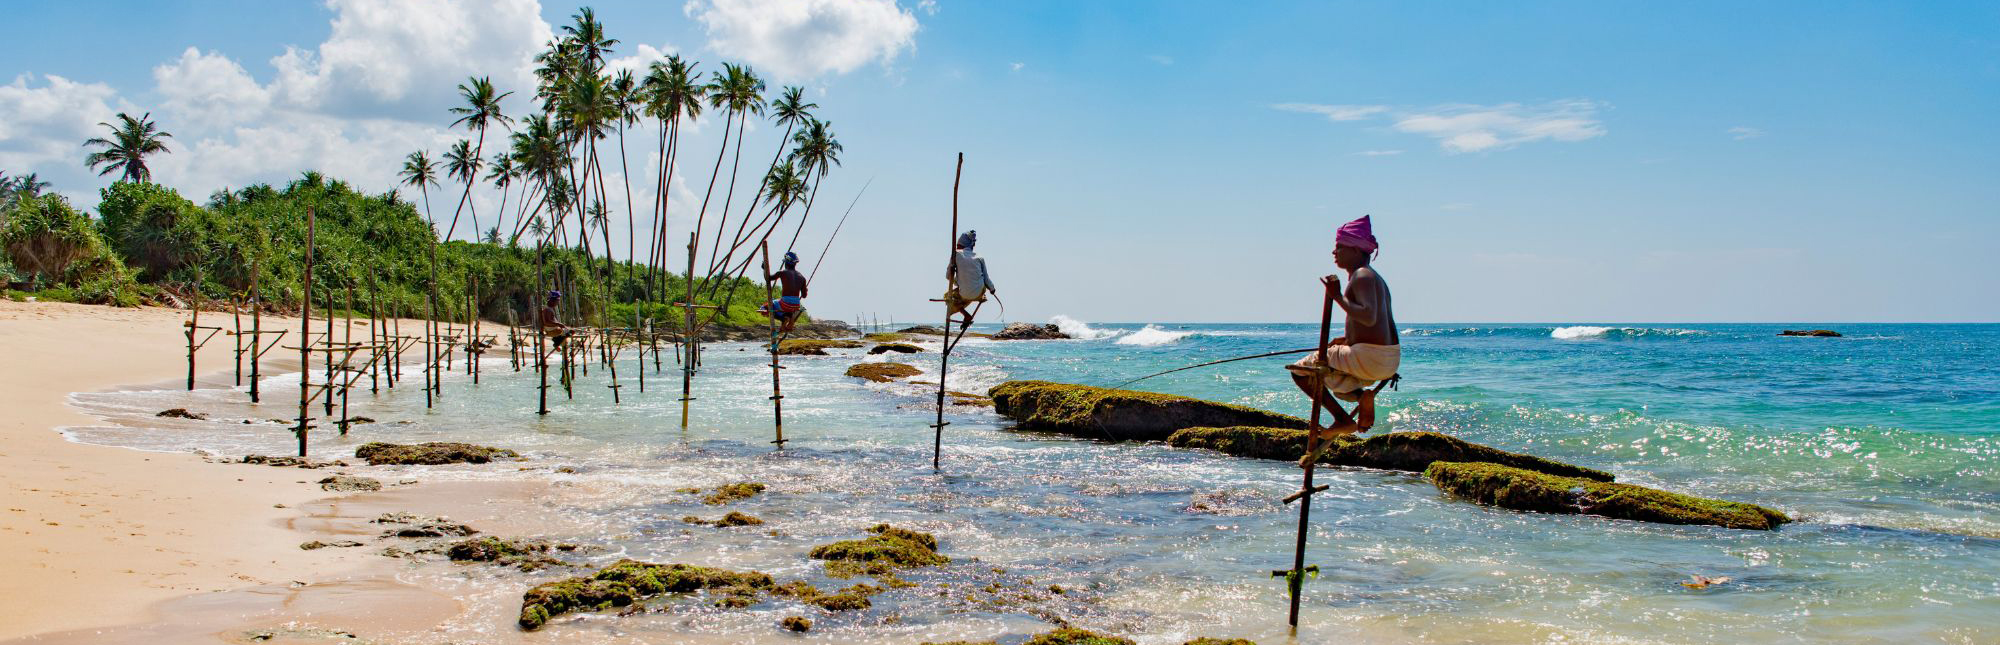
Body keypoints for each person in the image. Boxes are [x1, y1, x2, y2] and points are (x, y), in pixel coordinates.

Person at [1286, 215, 1398, 443]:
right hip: (1387, 359)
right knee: (1338, 386)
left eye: (1340, 247)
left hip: (1368, 357)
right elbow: (1379, 325)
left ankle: (1342, 419)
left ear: (1356, 250)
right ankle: (1361, 396)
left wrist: (1336, 296)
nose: (1334, 252)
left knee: (1301, 371)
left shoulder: (1362, 275)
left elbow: (1368, 316)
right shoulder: (1377, 279)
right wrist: (1347, 340)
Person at [943, 230, 996, 326]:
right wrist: (992, 289)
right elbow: (986, 279)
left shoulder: (955, 254)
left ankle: (966, 314)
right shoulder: (980, 257)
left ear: (960, 245)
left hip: (964, 293)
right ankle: (980, 297)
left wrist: (957, 282)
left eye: (958, 246)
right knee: (974, 288)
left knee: (948, 296)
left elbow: (948, 276)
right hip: (979, 292)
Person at [760, 251, 810, 335]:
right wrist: (806, 290)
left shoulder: (782, 272)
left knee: (764, 307)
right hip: (796, 305)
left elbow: (768, 278)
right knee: (785, 307)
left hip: (786, 303)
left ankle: (784, 319)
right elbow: (804, 295)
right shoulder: (802, 277)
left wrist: (764, 269)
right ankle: (788, 319)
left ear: (786, 263)